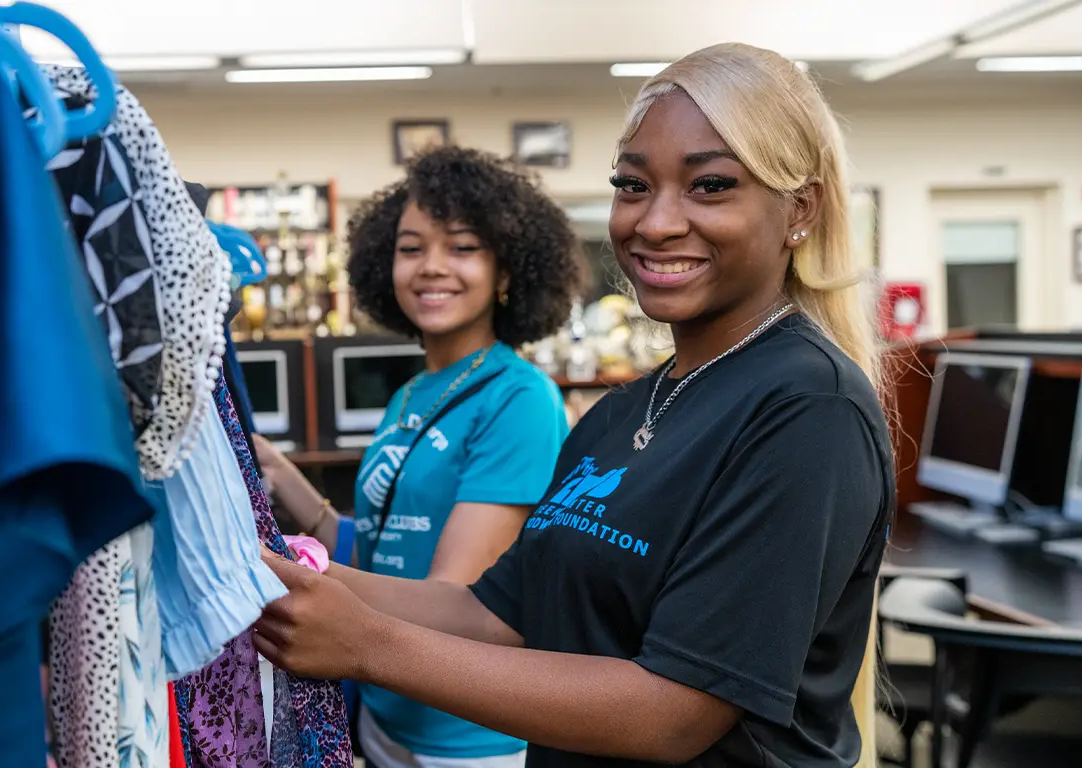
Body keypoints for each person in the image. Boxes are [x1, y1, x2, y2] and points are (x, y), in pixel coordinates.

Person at [250, 42, 894, 768]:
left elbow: (673, 714)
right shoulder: (625, 414)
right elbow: (492, 615)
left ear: (799, 209)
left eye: (710, 185)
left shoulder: (808, 410)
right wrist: (270, 570)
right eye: (632, 184)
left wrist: (367, 645)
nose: (655, 223)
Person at [251, 144, 585, 767]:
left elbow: (457, 601)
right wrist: (280, 476)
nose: (432, 267)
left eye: (461, 247)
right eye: (411, 248)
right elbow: (385, 545)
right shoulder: (413, 391)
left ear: (506, 270)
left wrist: (272, 569)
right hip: (385, 711)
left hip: (465, 735)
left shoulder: (519, 399)